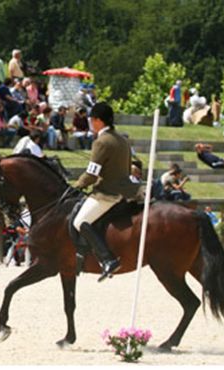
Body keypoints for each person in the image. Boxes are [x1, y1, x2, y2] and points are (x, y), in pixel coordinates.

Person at [72, 102, 142, 282]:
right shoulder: (122, 139)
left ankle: (108, 259)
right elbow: (127, 168)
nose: (90, 123)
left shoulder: (102, 141)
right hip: (127, 191)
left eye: (91, 120)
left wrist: (77, 186)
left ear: (98, 121)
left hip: (108, 193)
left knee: (80, 221)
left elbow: (92, 174)